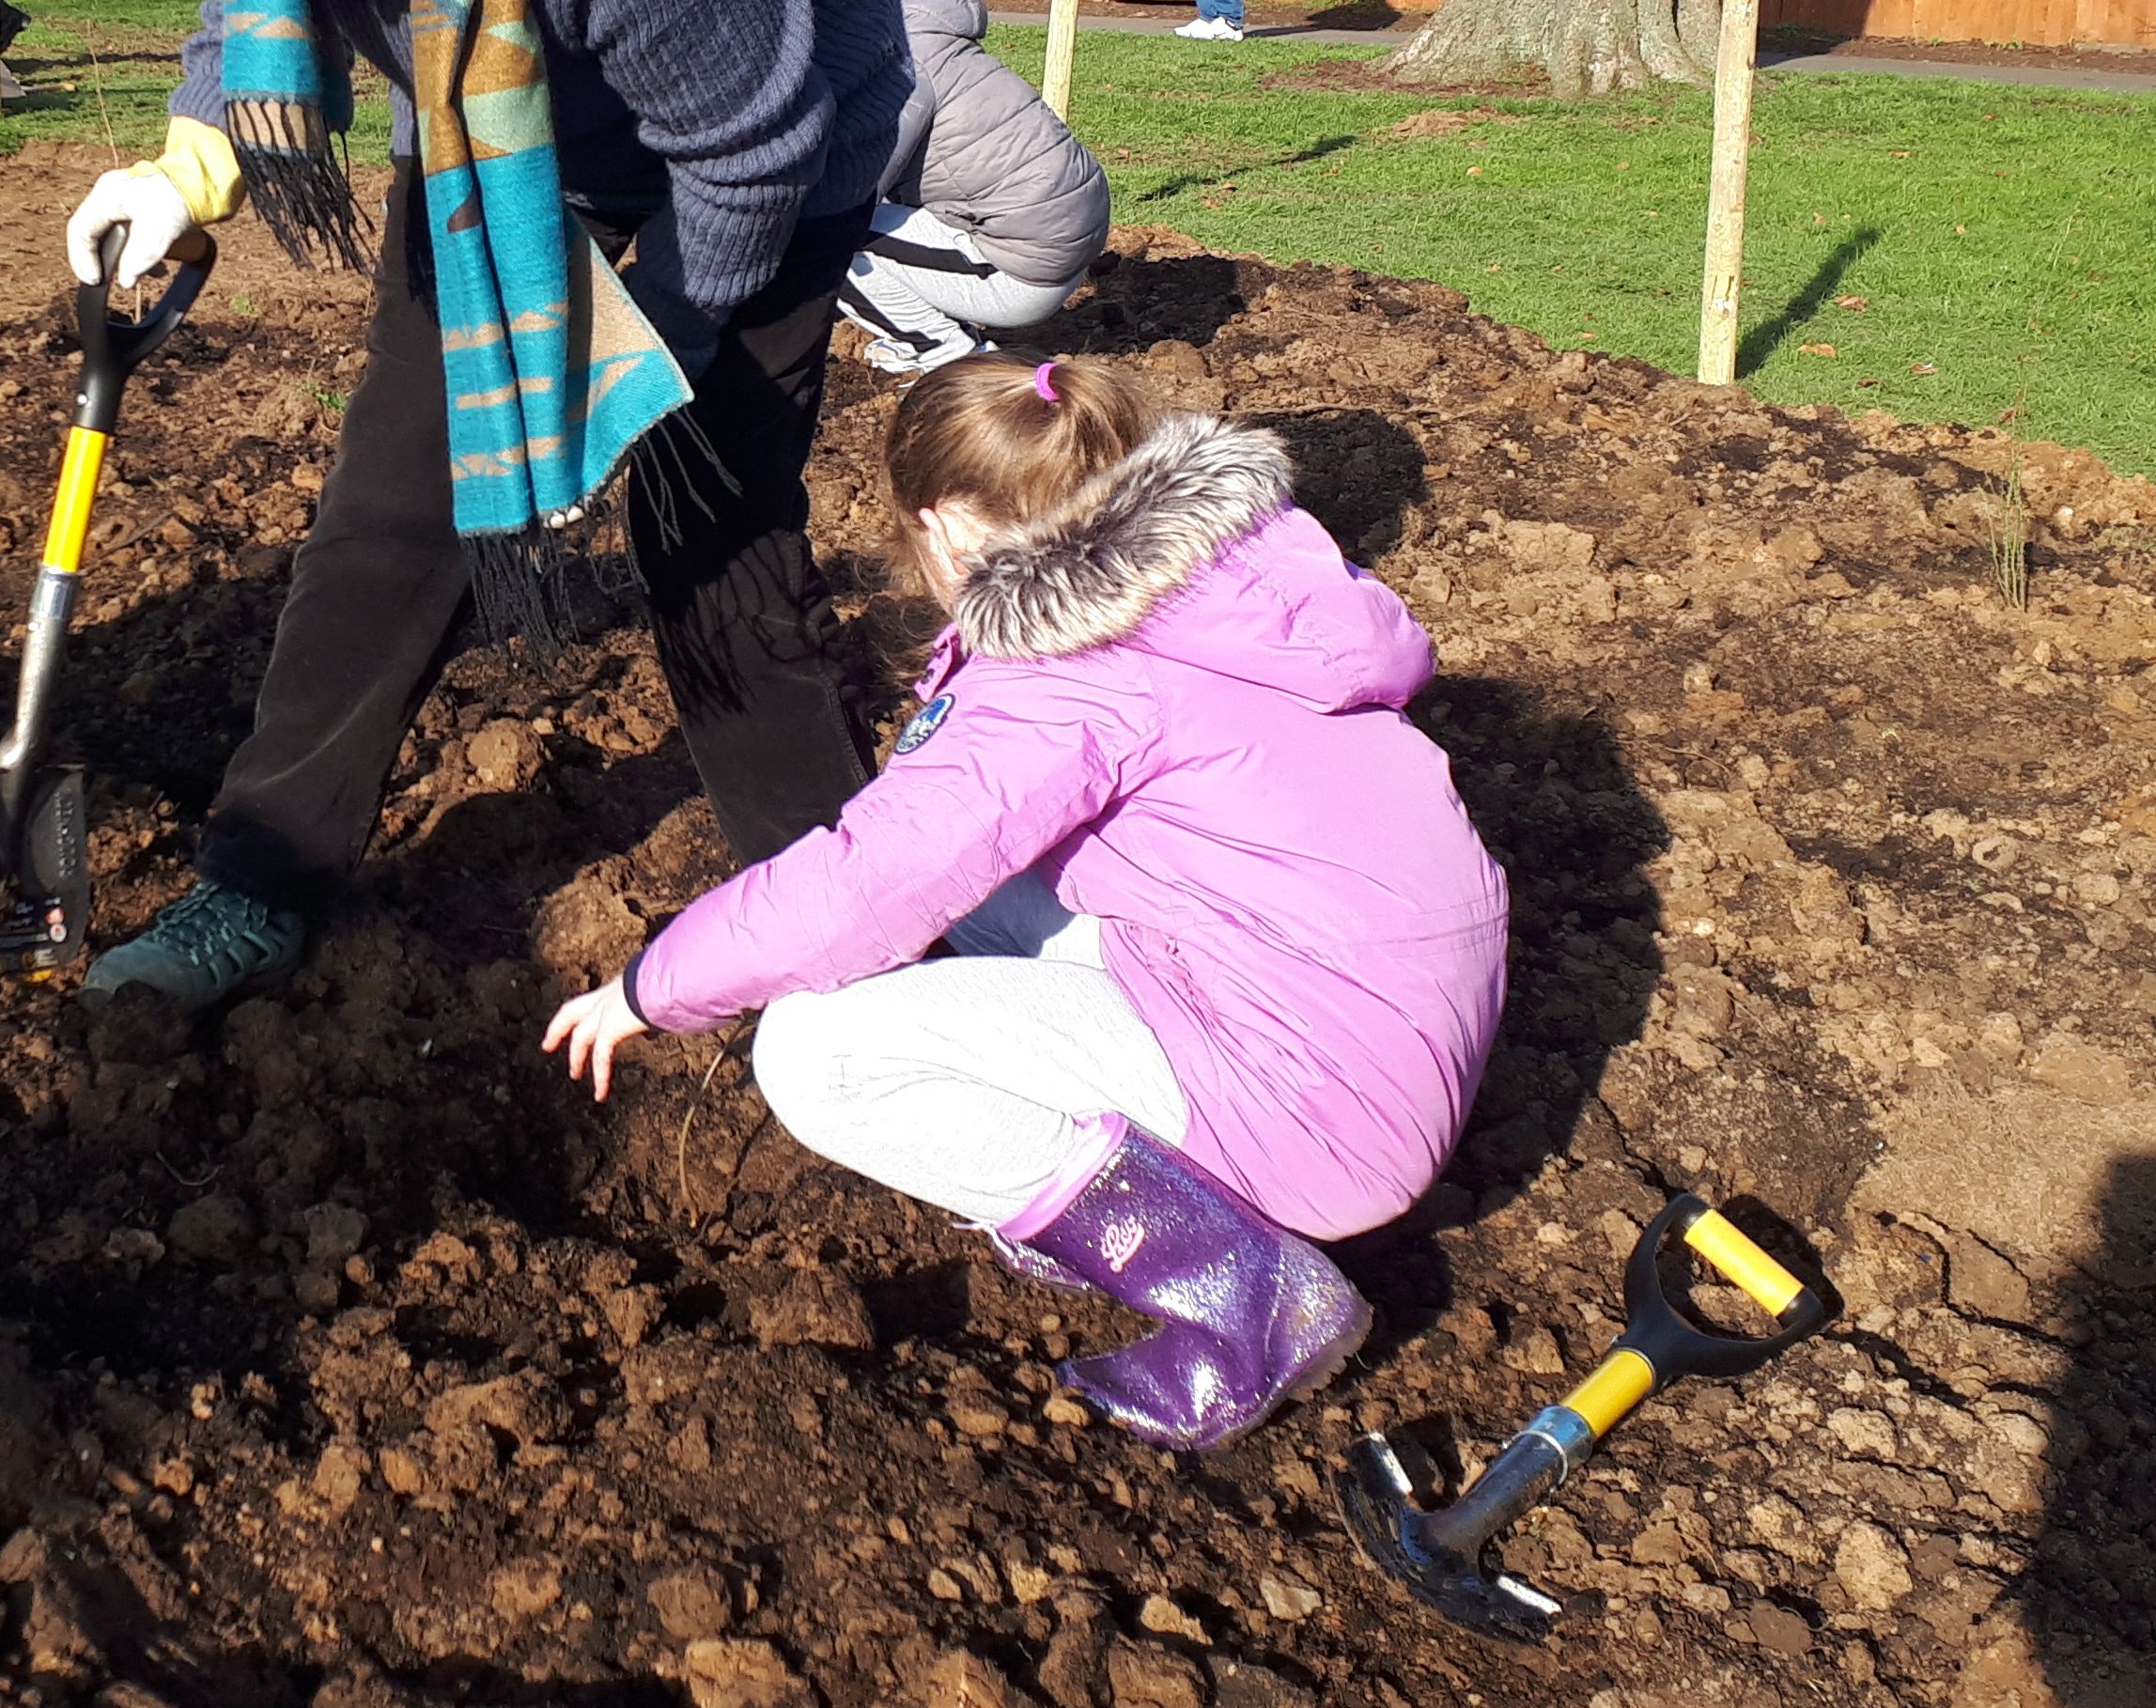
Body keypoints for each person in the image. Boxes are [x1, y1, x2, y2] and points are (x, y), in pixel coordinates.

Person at [62, 0, 911, 1016]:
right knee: (390, 504)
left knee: (712, 515)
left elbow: (748, 150)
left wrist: (648, 372)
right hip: (492, 130)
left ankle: (834, 915)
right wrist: (190, 163)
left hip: (771, 117)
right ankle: (259, 879)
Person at [543, 355, 1506, 1450]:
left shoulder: (1063, 674)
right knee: (988, 881)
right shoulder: (1223, 585)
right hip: (1387, 1015)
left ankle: (1247, 1297)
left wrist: (650, 986)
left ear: (948, 525)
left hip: (1318, 1112)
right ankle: (1108, 1170)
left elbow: (868, 882)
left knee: (817, 1053)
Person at [837, 0, 1114, 375]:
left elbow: (854, 188)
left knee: (831, 238)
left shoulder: (900, 65)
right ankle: (931, 331)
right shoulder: (932, 39)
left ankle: (945, 352)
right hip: (1067, 240)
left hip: (1026, 271)